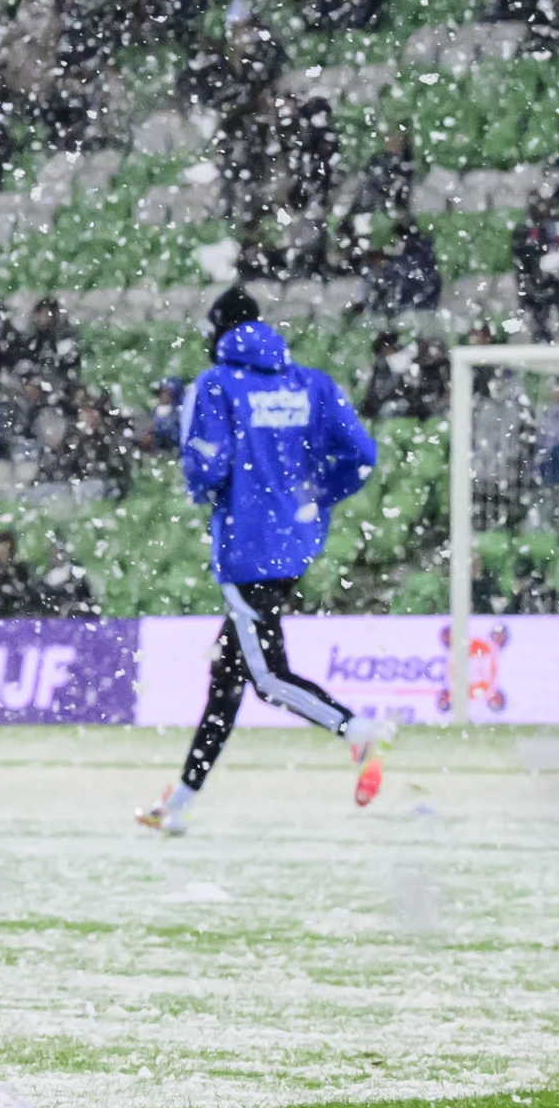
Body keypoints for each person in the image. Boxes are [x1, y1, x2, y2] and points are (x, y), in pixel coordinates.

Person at [143, 285, 389, 836]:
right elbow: (363, 455)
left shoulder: (215, 384)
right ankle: (179, 804)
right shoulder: (310, 382)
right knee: (225, 680)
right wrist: (316, 495)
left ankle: (355, 729)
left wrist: (206, 488)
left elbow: (206, 465)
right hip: (295, 544)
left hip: (246, 549)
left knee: (267, 678)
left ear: (218, 333)